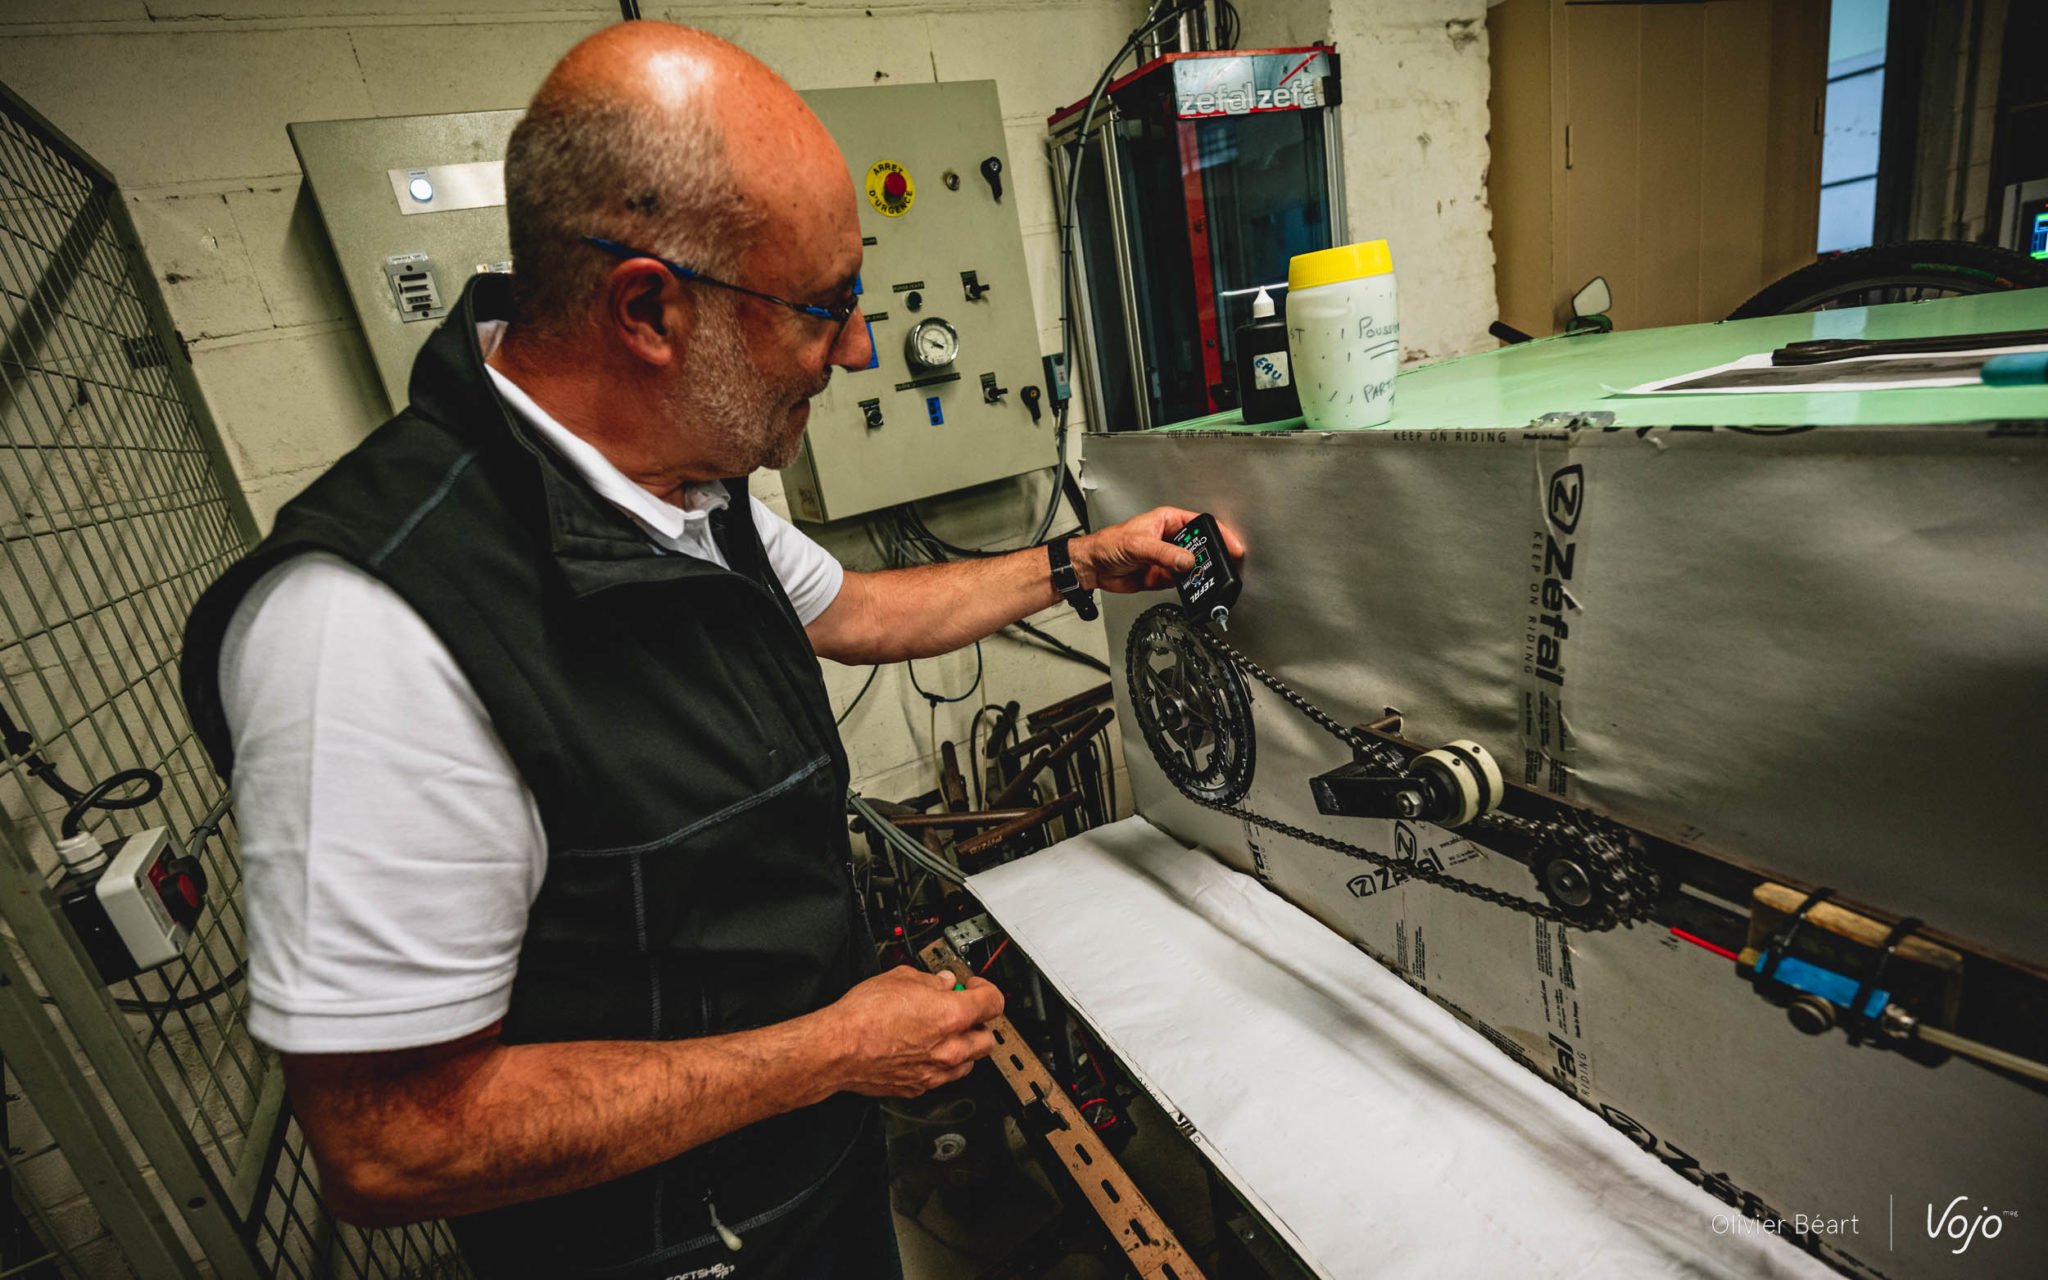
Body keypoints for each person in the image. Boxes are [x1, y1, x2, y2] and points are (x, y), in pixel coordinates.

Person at [179, 20, 1244, 1280]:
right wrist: (833, 1049)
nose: (858, 349)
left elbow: (858, 612)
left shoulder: (680, 481)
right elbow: (394, 1142)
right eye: (823, 309)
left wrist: (1078, 562)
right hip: (659, 1247)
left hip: (803, 1177)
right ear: (649, 310)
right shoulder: (369, 631)